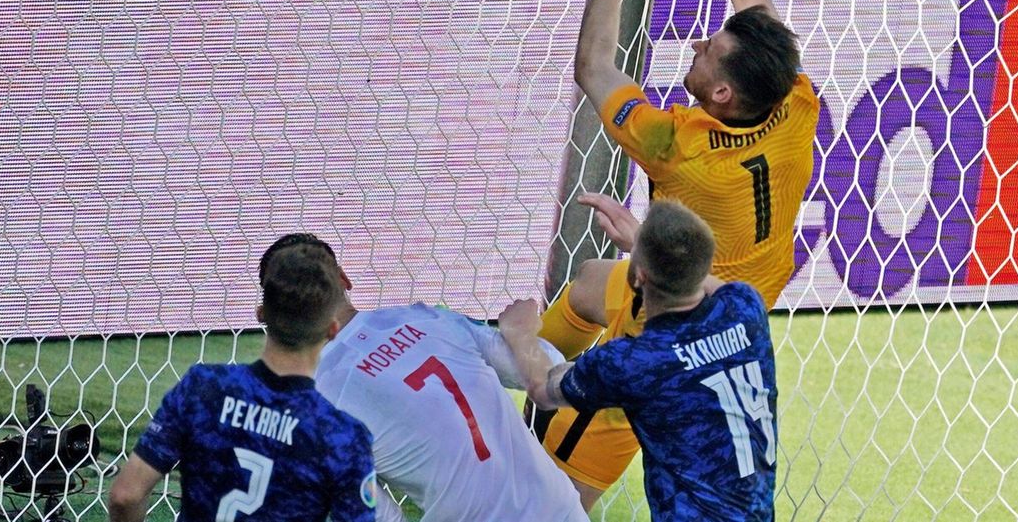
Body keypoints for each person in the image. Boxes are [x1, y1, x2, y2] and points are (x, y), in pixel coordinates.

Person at [534, 0, 820, 508]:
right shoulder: (792, 96)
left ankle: (538, 429)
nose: (696, 40)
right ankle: (507, 374)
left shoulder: (675, 147)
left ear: (721, 93)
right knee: (587, 284)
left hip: (674, 311)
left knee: (555, 484)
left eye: (705, 52)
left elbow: (593, 66)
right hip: (742, 298)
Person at [257, 233, 590, 522]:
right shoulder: (428, 318)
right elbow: (550, 371)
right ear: (344, 279)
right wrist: (521, 335)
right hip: (559, 509)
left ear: (270, 317)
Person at [504, 197, 778, 521]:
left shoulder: (634, 364)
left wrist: (519, 334)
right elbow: (697, 276)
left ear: (638, 278)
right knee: (592, 277)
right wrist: (643, 245)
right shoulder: (745, 308)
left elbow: (541, 389)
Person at [108, 242, 378, 522]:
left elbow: (125, 495)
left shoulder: (202, 388)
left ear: (262, 314)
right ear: (333, 329)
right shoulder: (343, 436)